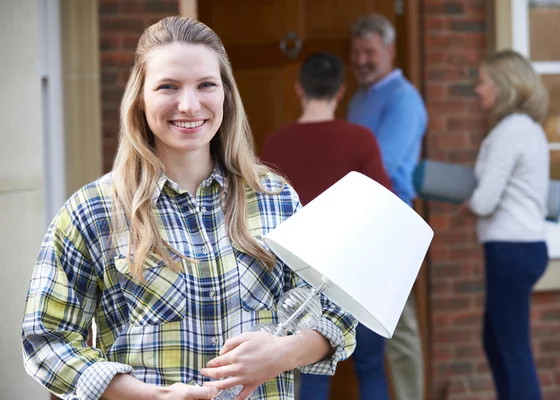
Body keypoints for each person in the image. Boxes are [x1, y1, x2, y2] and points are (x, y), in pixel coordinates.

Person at [21, 16, 356, 400]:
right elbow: (45, 339)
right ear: (141, 98)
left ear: (225, 94)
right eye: (168, 86)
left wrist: (283, 353)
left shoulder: (275, 198)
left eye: (205, 85)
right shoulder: (92, 211)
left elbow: (336, 312)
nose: (189, 104)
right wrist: (153, 396)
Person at [261, 52, 392, 400]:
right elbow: (386, 209)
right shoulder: (361, 140)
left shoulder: (276, 143)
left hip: (299, 272)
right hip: (357, 271)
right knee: (370, 367)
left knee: (311, 369)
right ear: (341, 91)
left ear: (298, 89)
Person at [347, 13, 428, 400]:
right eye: (356, 52)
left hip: (393, 224)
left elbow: (388, 167)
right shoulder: (360, 97)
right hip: (361, 223)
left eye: (370, 52)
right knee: (364, 327)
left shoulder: (403, 99)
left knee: (398, 326)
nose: (361, 60)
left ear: (390, 51)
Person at [462, 49, 550, 400]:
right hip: (523, 247)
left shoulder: (509, 131)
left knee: (512, 349)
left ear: (504, 85)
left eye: (482, 82)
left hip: (511, 250)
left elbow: (485, 200)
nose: (477, 89)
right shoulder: (526, 129)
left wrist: (471, 203)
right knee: (497, 341)